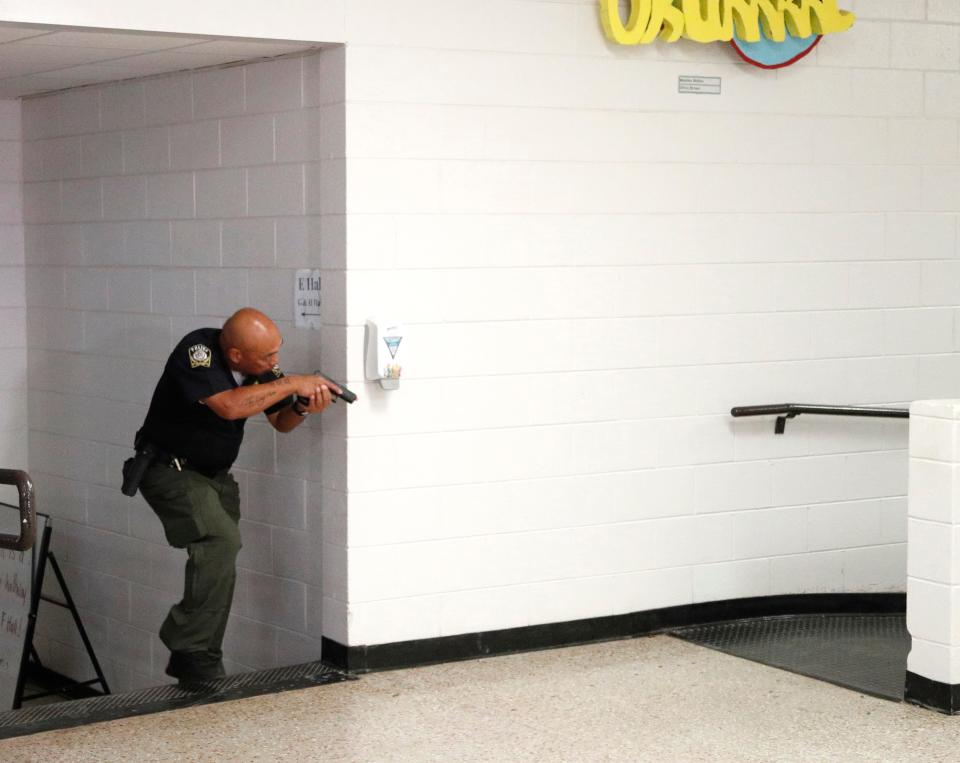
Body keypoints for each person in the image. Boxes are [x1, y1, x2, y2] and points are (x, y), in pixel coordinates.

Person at [132, 307, 341, 686]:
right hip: (170, 470)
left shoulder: (262, 366)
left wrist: (302, 406)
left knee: (223, 558)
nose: (274, 362)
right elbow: (228, 406)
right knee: (219, 540)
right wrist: (294, 381)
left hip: (215, 478)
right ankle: (192, 651)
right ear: (236, 356)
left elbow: (282, 424)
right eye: (267, 357)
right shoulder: (197, 352)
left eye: (277, 353)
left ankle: (201, 658)